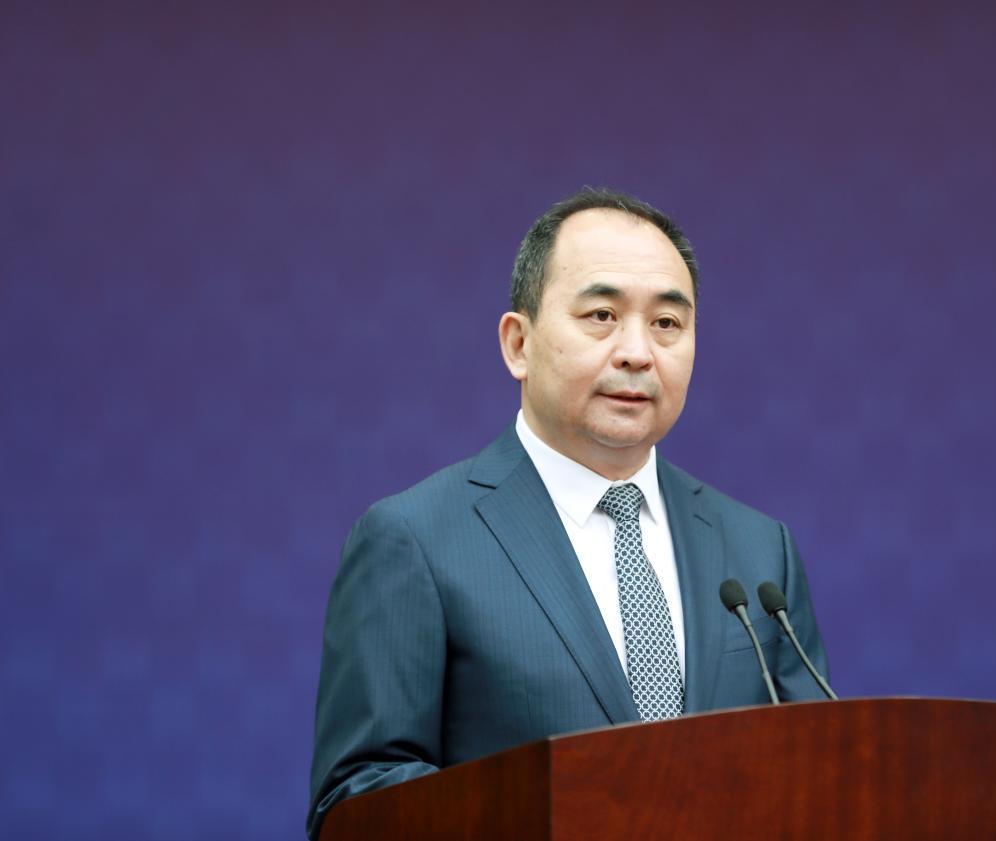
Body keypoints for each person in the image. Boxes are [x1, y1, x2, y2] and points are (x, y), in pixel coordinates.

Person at [306, 188, 829, 839]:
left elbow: (819, 777)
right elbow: (356, 803)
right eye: (602, 315)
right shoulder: (416, 540)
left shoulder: (758, 550)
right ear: (518, 344)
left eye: (667, 323)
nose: (638, 352)